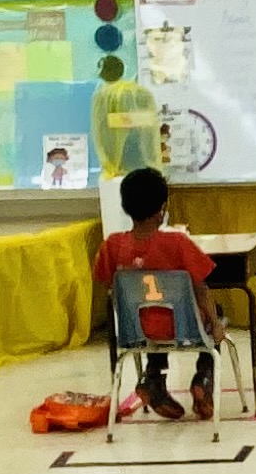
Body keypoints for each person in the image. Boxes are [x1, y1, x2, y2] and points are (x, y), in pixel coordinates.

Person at [91, 165, 225, 419]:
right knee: (209, 313)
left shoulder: (112, 245)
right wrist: (216, 324)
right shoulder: (178, 243)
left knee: (154, 314)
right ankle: (203, 380)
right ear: (161, 208)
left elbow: (106, 282)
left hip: (135, 330)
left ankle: (153, 379)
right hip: (184, 328)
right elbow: (202, 288)